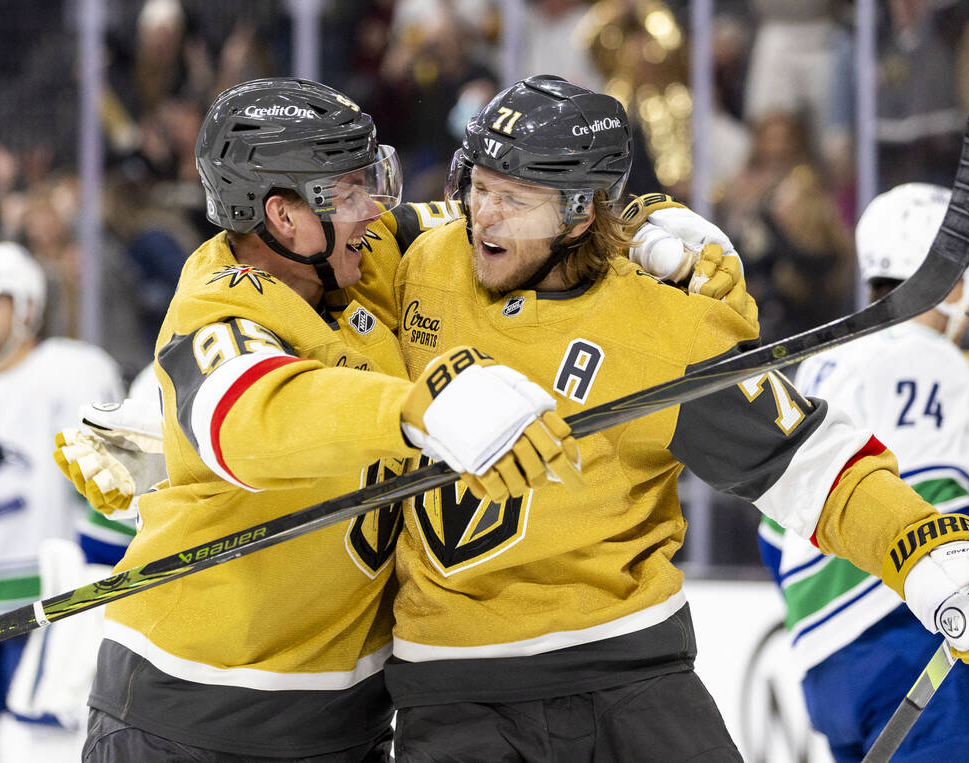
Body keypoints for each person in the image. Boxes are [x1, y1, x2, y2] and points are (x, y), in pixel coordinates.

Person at [379, 75, 969, 762]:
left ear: (578, 214)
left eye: (513, 199)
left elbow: (808, 463)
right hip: (450, 685)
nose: (483, 216)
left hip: (627, 671)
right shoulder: (422, 262)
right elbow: (337, 237)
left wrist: (927, 548)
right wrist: (645, 216)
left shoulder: (663, 329)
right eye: (478, 187)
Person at [64, 77, 581, 762]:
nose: (373, 209)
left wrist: (639, 230)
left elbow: (487, 224)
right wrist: (412, 409)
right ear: (282, 216)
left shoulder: (354, 262)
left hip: (346, 726)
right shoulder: (215, 307)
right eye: (349, 191)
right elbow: (253, 409)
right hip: (191, 722)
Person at [760, 183, 969, 762]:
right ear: (942, 274)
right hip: (912, 646)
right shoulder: (931, 359)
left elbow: (774, 534)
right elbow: (942, 515)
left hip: (826, 667)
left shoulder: (818, 364)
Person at [0, 241, 127, 762]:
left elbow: (111, 497)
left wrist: (101, 585)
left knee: (47, 748)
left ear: (27, 306)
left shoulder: (73, 374)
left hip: (49, 612)